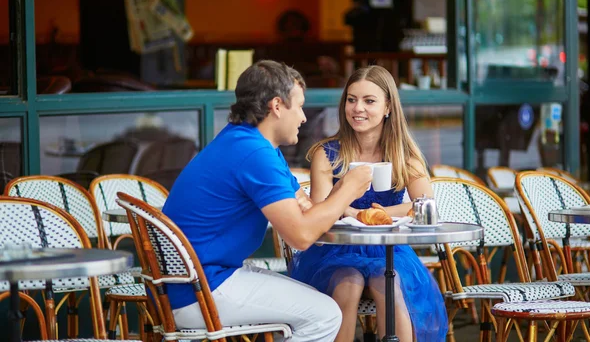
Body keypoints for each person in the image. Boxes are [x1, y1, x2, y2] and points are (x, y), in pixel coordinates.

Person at [162, 60, 372, 342]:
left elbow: (305, 208)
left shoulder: (250, 143)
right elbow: (301, 235)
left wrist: (347, 206)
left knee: (316, 302)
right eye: (298, 106)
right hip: (201, 290)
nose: (303, 117)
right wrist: (347, 187)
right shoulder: (254, 153)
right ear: (276, 106)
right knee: (325, 314)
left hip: (201, 279)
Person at [290, 65, 448, 342]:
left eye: (369, 100)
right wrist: (357, 211)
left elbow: (424, 204)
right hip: (334, 252)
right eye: (351, 99)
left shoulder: (404, 155)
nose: (357, 108)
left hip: (390, 252)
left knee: (388, 281)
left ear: (388, 107)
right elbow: (319, 208)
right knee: (348, 284)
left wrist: (371, 213)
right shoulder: (327, 154)